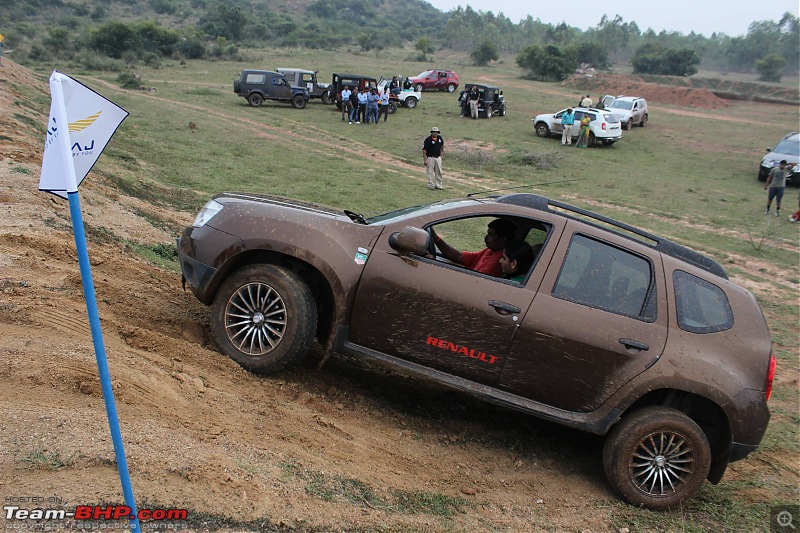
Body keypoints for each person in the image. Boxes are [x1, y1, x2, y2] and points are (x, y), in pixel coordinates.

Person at [431, 219, 517, 277]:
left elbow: (473, 280)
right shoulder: (490, 251)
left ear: (502, 239)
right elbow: (459, 257)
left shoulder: (499, 260)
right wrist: (436, 238)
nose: (486, 237)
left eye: (491, 235)